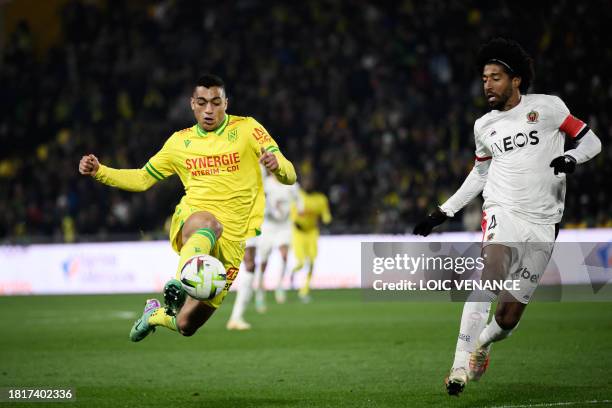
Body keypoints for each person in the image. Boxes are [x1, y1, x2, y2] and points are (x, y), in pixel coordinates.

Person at [413, 38, 602, 396]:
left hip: (544, 222)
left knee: (507, 319)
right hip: (503, 211)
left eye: (495, 77)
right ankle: (458, 366)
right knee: (490, 276)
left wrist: (573, 159)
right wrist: (443, 211)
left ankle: (483, 343)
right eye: (484, 78)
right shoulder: (483, 126)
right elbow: (480, 174)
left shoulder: (548, 108)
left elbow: (592, 141)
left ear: (515, 80)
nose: (487, 84)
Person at [78, 74, 296, 341]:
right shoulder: (179, 142)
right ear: (192, 104)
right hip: (194, 221)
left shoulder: (248, 129)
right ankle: (181, 282)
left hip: (233, 241)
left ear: (226, 103)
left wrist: (278, 166)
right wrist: (100, 171)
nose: (209, 110)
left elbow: (291, 174)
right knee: (210, 224)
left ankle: (154, 314)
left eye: (216, 102)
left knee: (185, 325)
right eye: (202, 102)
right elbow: (143, 178)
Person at [226, 169, 299, 330]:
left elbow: (262, 196)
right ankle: (256, 296)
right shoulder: (239, 162)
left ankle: (236, 316)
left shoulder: (263, 168)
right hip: (245, 220)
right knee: (247, 264)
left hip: (254, 222)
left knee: (251, 264)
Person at [290, 174, 332, 302]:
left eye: (310, 181)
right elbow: (291, 215)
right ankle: (291, 274)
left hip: (312, 232)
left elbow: (326, 216)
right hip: (298, 232)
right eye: (306, 181)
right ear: (302, 183)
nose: (308, 184)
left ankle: (304, 291)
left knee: (312, 262)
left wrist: (325, 219)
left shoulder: (320, 199)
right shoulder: (297, 196)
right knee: (301, 263)